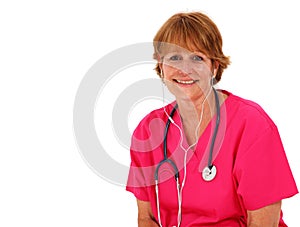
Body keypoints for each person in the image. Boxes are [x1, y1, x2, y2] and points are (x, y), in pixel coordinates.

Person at [126, 11, 298, 227]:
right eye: (174, 58)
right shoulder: (148, 130)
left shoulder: (252, 125)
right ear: (161, 66)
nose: (185, 69)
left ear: (215, 66)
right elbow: (147, 219)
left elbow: (264, 223)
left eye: (197, 57)